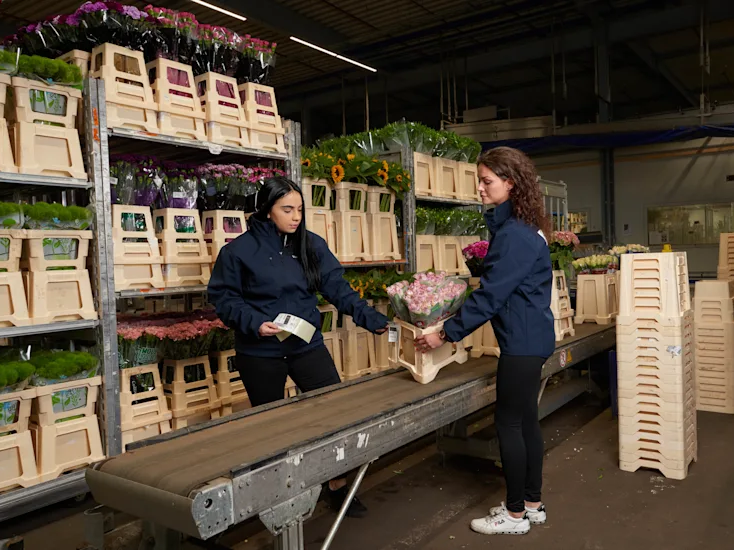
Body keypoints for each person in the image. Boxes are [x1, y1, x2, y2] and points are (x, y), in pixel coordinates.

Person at [207, 175, 389, 518]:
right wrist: (254, 323)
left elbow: (337, 287)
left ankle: (336, 486)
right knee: (272, 429)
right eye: (287, 209)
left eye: (300, 210)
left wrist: (370, 318)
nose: (296, 216)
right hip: (260, 353)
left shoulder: (310, 245)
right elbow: (224, 298)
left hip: (307, 346)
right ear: (267, 210)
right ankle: (279, 499)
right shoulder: (238, 252)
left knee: (335, 413)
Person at [415, 146, 555, 536]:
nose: (479, 188)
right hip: (532, 337)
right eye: (480, 180)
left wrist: (443, 333)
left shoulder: (514, 236)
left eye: (487, 181)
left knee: (509, 424)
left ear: (510, 184)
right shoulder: (524, 229)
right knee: (527, 421)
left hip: (522, 343)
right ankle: (532, 503)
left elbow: (491, 297)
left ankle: (513, 516)